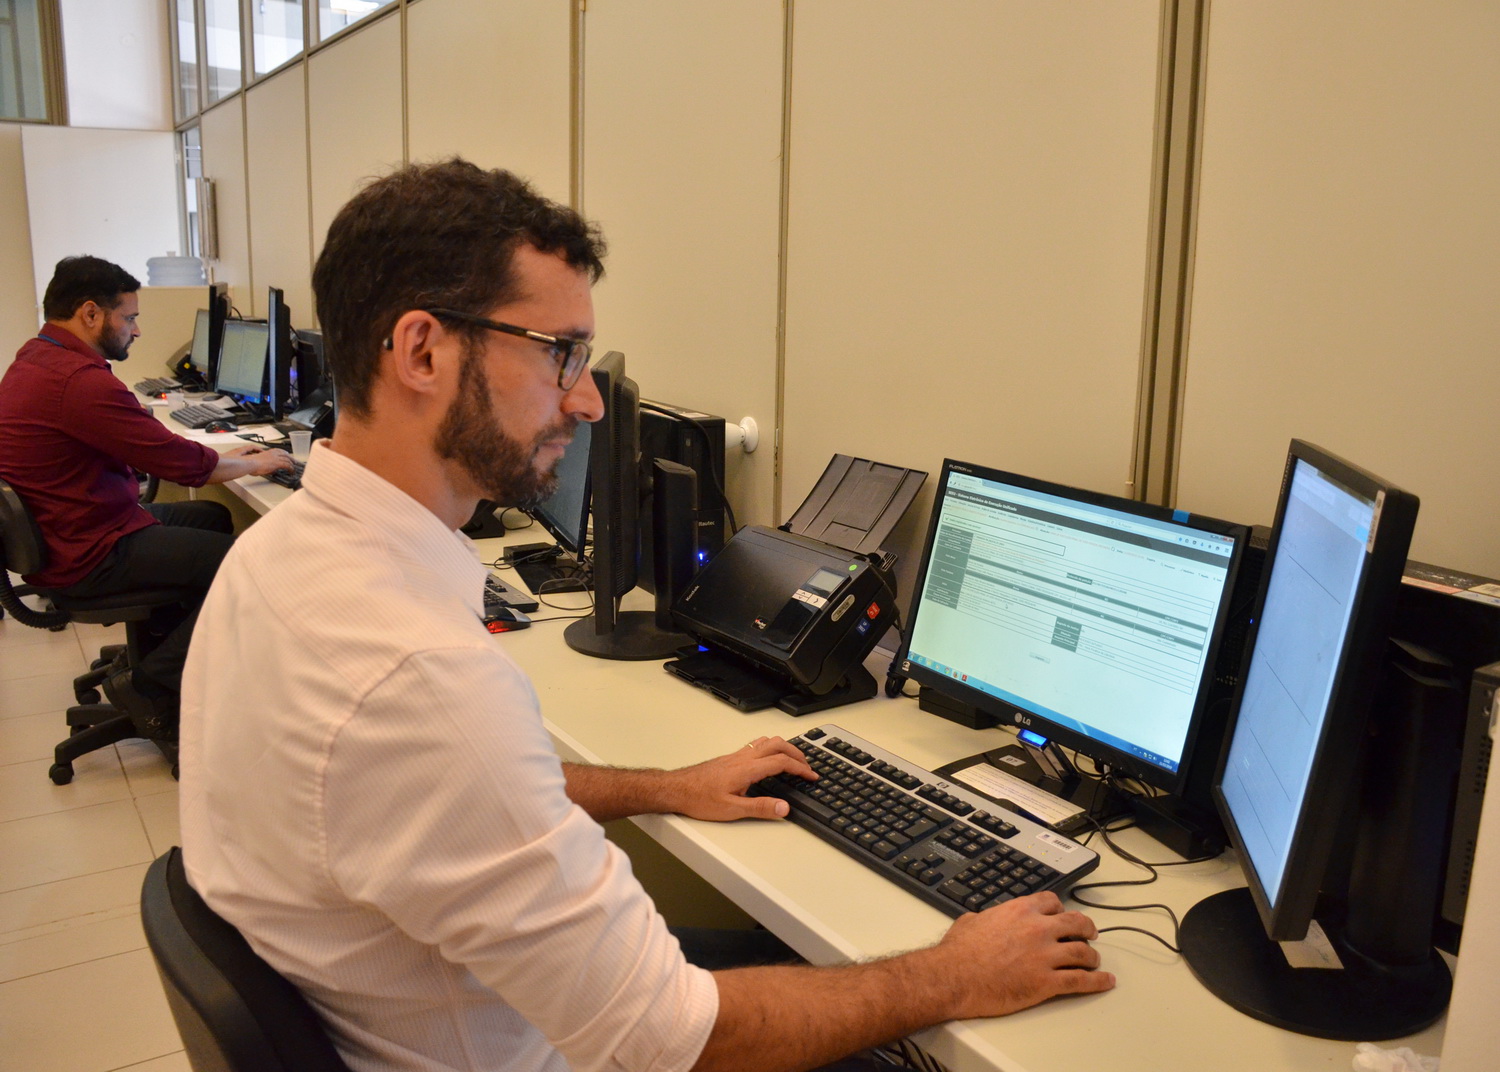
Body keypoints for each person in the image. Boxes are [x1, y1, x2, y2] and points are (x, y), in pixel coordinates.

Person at [178, 159, 1113, 1072]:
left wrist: (667, 786)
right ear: (423, 352)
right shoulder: (419, 682)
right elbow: (673, 1040)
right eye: (561, 353)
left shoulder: (273, 560)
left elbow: (458, 800)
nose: (586, 399)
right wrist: (952, 975)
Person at [0, 256, 293, 738]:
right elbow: (182, 464)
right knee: (251, 565)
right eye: (129, 317)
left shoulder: (37, 357)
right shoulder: (79, 381)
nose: (135, 330)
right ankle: (150, 685)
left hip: (70, 529)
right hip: (89, 551)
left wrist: (223, 455)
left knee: (210, 518)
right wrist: (254, 462)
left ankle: (172, 661)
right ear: (90, 313)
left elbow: (159, 448)